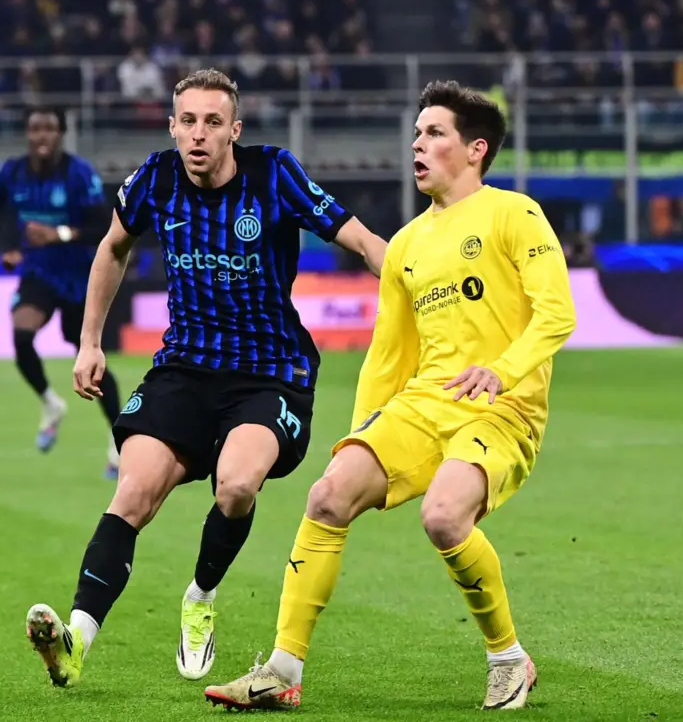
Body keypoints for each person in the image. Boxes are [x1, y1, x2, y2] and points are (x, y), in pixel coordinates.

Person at [203, 80, 577, 711]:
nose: (418, 144)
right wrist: (361, 434)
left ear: (476, 149)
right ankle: (282, 671)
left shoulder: (515, 213)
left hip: (502, 408)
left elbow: (557, 313)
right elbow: (389, 355)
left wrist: (503, 371)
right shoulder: (404, 245)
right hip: (424, 405)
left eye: (435, 133)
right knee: (328, 494)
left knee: (443, 516)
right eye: (416, 133)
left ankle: (508, 658)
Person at [22, 68, 388, 689]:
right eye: (187, 121)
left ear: (234, 131)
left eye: (213, 122)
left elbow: (360, 240)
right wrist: (89, 343)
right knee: (132, 494)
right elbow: (113, 247)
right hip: (186, 368)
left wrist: (420, 288)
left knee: (236, 486)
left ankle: (200, 597)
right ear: (172, 127)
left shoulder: (274, 174)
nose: (198, 134)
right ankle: (75, 641)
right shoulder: (156, 178)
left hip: (269, 371)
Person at [0, 106, 122, 478]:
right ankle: (50, 403)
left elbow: (103, 224)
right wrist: (8, 247)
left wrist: (59, 234)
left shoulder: (79, 174)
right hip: (39, 272)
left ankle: (119, 437)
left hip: (81, 276)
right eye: (35, 128)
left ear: (61, 134)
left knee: (91, 360)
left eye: (49, 128)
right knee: (21, 333)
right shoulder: (10, 173)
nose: (41, 135)